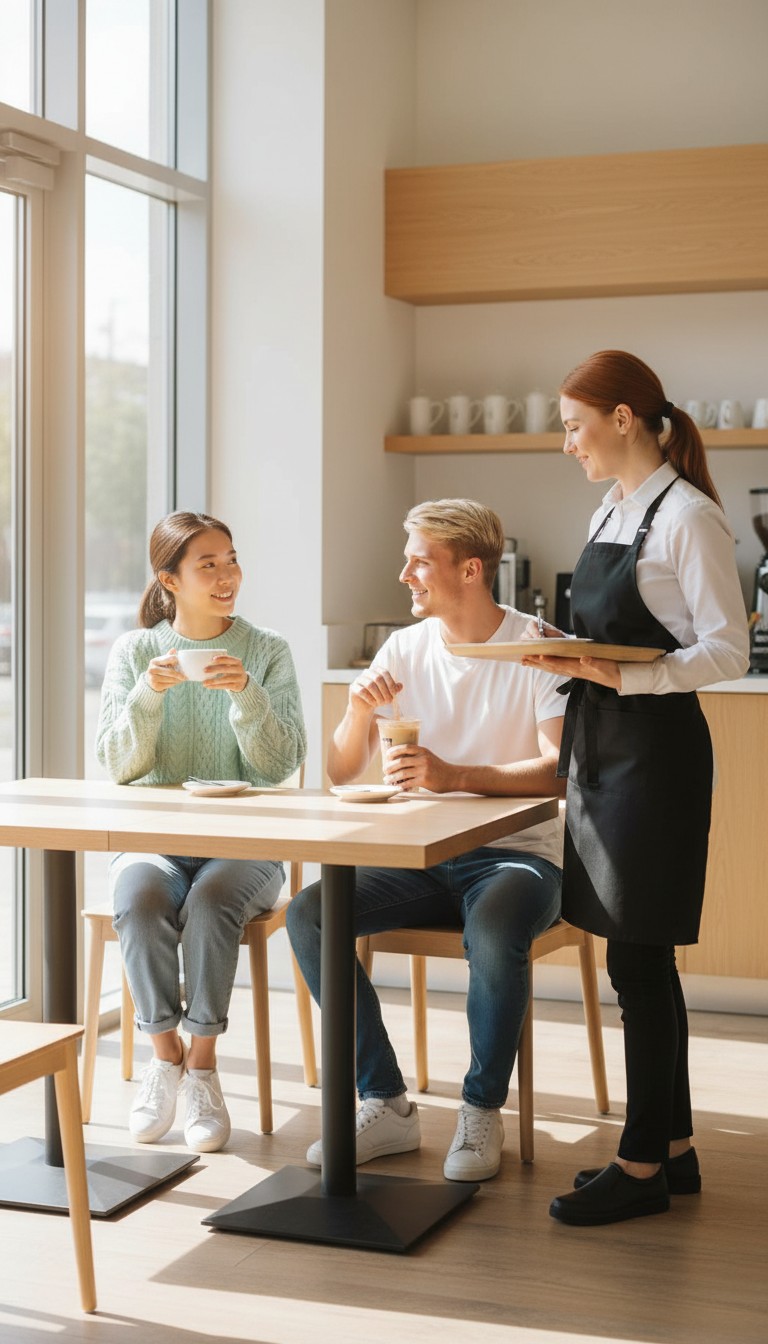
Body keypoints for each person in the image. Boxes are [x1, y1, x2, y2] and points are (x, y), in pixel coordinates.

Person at [521, 351, 749, 1225]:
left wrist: (626, 677)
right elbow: (615, 635)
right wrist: (561, 651)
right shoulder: (613, 508)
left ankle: (640, 1164)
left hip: (655, 758)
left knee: (637, 961)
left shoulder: (689, 516)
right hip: (603, 749)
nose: (567, 443)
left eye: (575, 426)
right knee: (642, 961)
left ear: (623, 419)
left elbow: (725, 650)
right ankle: (674, 1151)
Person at [287, 498, 567, 1182]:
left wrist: (454, 775)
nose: (404, 573)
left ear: (470, 570)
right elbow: (340, 771)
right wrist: (357, 711)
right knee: (311, 914)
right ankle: (385, 1101)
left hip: (517, 858)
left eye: (419, 561)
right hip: (419, 858)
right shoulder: (405, 648)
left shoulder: (538, 646)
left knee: (495, 928)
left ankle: (481, 1109)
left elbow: (558, 769)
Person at [96, 511, 306, 1153]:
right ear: (170, 580)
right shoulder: (135, 652)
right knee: (140, 899)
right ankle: (166, 1057)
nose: (226, 576)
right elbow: (118, 766)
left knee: (213, 902)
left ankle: (205, 1067)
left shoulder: (266, 650)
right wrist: (148, 696)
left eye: (231, 560)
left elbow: (280, 765)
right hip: (156, 843)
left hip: (245, 848)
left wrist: (246, 693)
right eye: (207, 565)